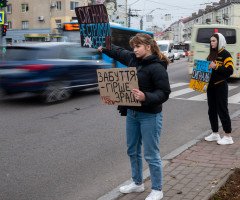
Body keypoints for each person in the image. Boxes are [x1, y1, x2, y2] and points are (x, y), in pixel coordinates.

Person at [98, 33, 171, 200]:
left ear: (148, 46)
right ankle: (137, 183)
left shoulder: (157, 67)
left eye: (138, 46)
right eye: (133, 47)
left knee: (151, 154)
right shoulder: (133, 59)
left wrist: (146, 97)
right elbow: (118, 52)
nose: (134, 49)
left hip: (150, 116)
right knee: (132, 150)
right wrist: (104, 45)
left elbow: (164, 93)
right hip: (132, 113)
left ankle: (157, 189)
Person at [204, 32, 234, 145]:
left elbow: (230, 71)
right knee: (211, 111)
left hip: (221, 85)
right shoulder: (211, 54)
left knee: (222, 110)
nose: (211, 43)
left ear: (219, 41)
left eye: (213, 41)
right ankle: (215, 133)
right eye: (211, 41)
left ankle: (228, 136)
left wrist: (216, 66)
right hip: (210, 86)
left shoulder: (226, 54)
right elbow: (207, 69)